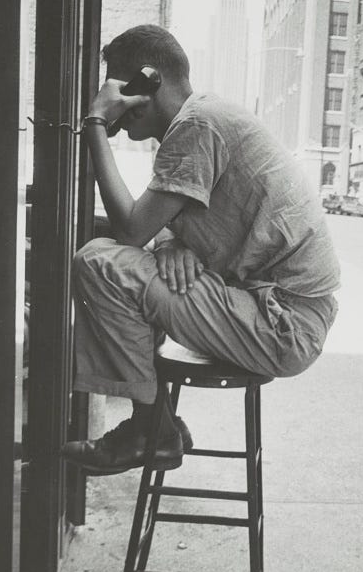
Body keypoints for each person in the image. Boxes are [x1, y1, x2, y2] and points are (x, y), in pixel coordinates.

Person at [62, 24, 340, 476]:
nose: (114, 96)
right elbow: (168, 224)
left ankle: (151, 432)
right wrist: (171, 240)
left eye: (120, 84)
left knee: (100, 263)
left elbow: (132, 232)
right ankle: (157, 426)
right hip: (271, 309)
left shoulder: (196, 126)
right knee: (124, 266)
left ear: (148, 81)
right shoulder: (203, 120)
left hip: (282, 324)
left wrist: (95, 123)